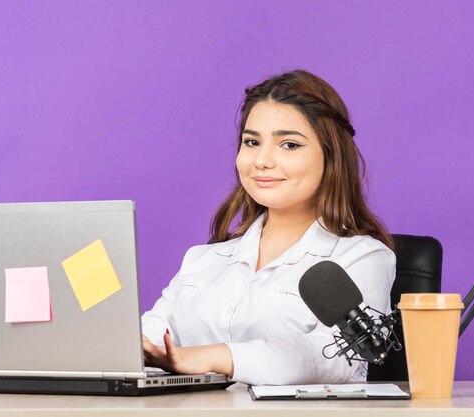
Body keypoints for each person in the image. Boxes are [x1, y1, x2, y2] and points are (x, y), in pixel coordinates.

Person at [141, 69, 396, 386]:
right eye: (251, 142)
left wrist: (218, 356)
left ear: (331, 157)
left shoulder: (363, 257)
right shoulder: (202, 261)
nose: (262, 160)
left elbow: (338, 357)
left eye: (288, 144)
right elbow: (149, 336)